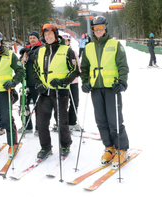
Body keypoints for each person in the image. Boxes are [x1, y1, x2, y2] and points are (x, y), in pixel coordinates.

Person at [80, 16, 130, 168]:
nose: (98, 31)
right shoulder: (88, 47)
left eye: (101, 28)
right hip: (96, 89)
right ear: (93, 30)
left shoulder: (115, 45)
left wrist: (122, 82)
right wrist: (85, 82)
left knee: (114, 120)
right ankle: (109, 147)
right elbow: (85, 68)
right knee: (101, 121)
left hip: (112, 88)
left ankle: (122, 149)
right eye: (96, 28)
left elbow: (123, 65)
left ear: (105, 29)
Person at [32, 24, 79, 159]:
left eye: (50, 34)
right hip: (44, 92)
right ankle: (45, 147)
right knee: (41, 122)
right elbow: (35, 70)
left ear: (55, 34)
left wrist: (63, 81)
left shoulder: (66, 50)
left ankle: (65, 145)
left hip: (60, 92)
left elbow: (75, 70)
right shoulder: (40, 51)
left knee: (61, 121)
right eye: (45, 35)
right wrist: (39, 84)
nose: (48, 37)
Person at [18, 31, 44, 136]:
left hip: (36, 82)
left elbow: (37, 60)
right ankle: (27, 126)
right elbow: (21, 63)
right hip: (26, 82)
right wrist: (21, 59)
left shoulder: (41, 48)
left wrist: (29, 52)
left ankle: (39, 127)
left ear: (38, 39)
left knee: (39, 106)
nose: (32, 40)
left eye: (34, 38)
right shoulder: (27, 50)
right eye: (30, 38)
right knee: (24, 105)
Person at [62, 33, 81, 131]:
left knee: (75, 102)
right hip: (64, 81)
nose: (65, 43)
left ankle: (72, 121)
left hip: (73, 81)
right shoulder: (59, 53)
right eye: (64, 41)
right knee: (63, 103)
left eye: (67, 41)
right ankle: (62, 122)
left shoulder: (73, 52)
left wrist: (78, 72)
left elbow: (78, 65)